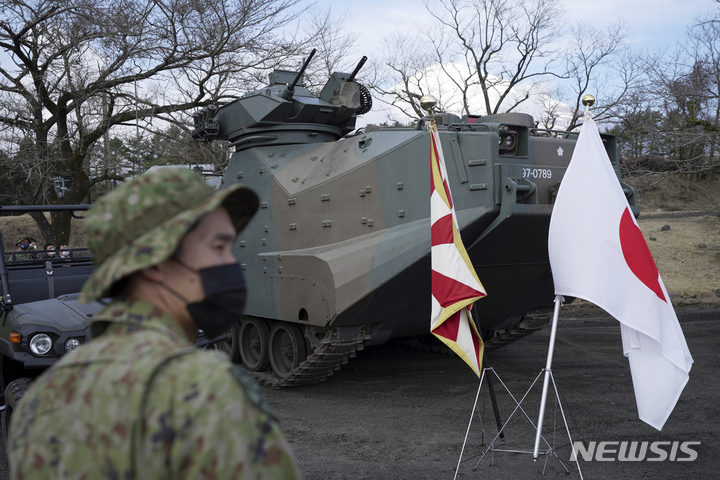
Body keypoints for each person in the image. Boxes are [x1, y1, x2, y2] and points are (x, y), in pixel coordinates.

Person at [8, 168, 302, 479]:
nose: (231, 263)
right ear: (155, 264)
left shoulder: (42, 402)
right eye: (218, 247)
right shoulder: (204, 392)